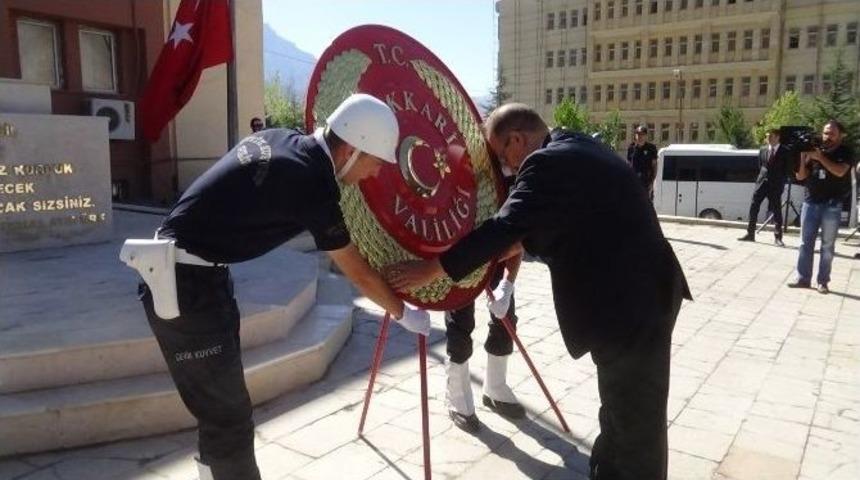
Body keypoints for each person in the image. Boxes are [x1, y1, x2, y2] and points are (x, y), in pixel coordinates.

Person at [127, 94, 430, 480]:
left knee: (219, 409)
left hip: (196, 275)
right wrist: (403, 312)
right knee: (228, 417)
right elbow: (358, 271)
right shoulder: (311, 182)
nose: (373, 174)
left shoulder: (285, 141)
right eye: (374, 163)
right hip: (182, 284)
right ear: (353, 149)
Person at [388, 103, 691, 480]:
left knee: (635, 422)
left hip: (627, 308)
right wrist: (523, 243)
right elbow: (571, 215)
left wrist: (429, 271)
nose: (505, 170)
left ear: (517, 139)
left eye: (502, 157)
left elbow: (503, 226)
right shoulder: (576, 144)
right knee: (625, 408)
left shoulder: (545, 163)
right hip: (644, 295)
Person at [444, 252, 524, 433]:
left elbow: (518, 239)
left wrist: (507, 285)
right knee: (460, 326)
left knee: (506, 319)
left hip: (495, 250)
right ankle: (456, 396)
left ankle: (495, 387)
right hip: (458, 253)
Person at [788, 119, 856, 294]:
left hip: (832, 204)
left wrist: (820, 158)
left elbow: (840, 171)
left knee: (827, 245)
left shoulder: (845, 151)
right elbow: (801, 176)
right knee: (805, 242)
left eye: (832, 134)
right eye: (826, 133)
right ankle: (803, 278)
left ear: (841, 135)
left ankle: (823, 281)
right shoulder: (814, 149)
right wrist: (802, 158)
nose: (828, 137)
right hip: (811, 202)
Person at [738, 128, 790, 246]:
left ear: (777, 137)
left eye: (771, 136)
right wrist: (761, 180)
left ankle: (778, 238)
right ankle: (750, 234)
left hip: (775, 185)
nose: (768, 138)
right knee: (754, 206)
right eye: (767, 136)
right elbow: (761, 166)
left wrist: (781, 183)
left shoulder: (785, 151)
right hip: (761, 183)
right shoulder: (763, 150)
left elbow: (787, 170)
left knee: (777, 210)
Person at [626, 125, 658, 200]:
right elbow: (628, 164)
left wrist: (651, 183)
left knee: (645, 204)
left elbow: (654, 166)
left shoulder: (651, 148)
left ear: (646, 136)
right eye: (638, 134)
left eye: (642, 134)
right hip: (634, 181)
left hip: (646, 182)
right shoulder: (631, 148)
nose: (640, 136)